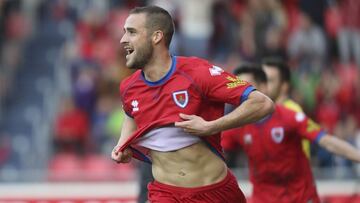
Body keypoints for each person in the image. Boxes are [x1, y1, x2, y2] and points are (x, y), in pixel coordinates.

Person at [110, 6, 274, 203]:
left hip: (214, 193)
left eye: (132, 32)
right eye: (124, 32)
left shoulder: (198, 72)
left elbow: (262, 103)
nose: (123, 40)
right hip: (165, 193)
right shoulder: (129, 87)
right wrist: (122, 145)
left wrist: (211, 126)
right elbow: (130, 115)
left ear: (156, 37)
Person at [222, 64, 360, 203]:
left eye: (247, 88)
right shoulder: (237, 126)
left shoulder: (290, 117)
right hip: (264, 198)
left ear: (263, 88)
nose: (242, 94)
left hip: (299, 197)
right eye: (238, 89)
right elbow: (215, 150)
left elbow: (327, 141)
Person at [261, 57, 311, 158]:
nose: (263, 85)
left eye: (269, 80)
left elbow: (303, 153)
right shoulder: (262, 112)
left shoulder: (293, 111)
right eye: (262, 79)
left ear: (284, 86)